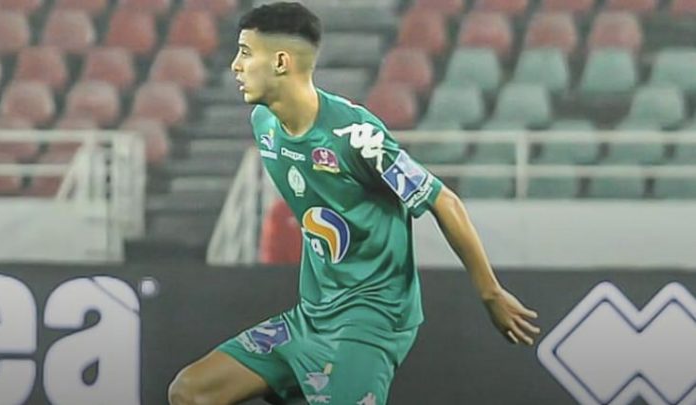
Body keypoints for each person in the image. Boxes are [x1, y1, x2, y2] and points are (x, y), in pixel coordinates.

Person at [168, 3, 540, 404]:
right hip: (311, 317)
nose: (235, 66)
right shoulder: (264, 123)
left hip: (371, 320)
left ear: (280, 61)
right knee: (190, 393)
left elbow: (444, 202)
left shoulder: (357, 136)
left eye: (245, 52)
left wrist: (490, 293)